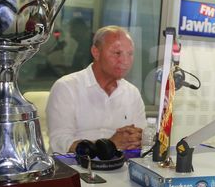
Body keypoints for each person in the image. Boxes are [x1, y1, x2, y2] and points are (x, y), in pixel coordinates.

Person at [47, 25, 147, 154]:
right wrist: (109, 145)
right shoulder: (67, 87)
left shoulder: (132, 93)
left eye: (130, 54)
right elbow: (60, 143)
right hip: (76, 164)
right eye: (117, 53)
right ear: (96, 52)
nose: (125, 61)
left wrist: (137, 139)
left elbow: (141, 137)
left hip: (120, 163)